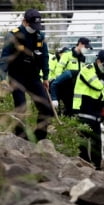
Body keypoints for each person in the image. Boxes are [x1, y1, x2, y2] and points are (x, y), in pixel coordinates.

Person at [0, 8, 53, 141]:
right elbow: (4, 58)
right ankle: (20, 138)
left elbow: (45, 56)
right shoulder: (13, 35)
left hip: (33, 76)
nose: (34, 29)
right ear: (24, 21)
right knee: (21, 107)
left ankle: (38, 139)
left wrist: (46, 76)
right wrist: (2, 79)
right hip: (16, 76)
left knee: (46, 108)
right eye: (32, 25)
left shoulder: (40, 36)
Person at [72, 49, 104, 170]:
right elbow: (97, 86)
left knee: (97, 141)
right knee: (83, 141)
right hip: (82, 109)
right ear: (98, 61)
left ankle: (97, 167)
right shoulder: (88, 70)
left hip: (95, 112)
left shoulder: (103, 75)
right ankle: (84, 167)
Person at [51, 37, 92, 116]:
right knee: (68, 105)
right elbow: (59, 68)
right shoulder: (67, 55)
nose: (86, 49)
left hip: (77, 85)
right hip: (66, 84)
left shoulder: (82, 58)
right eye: (86, 47)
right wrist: (60, 81)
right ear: (80, 44)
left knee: (75, 107)